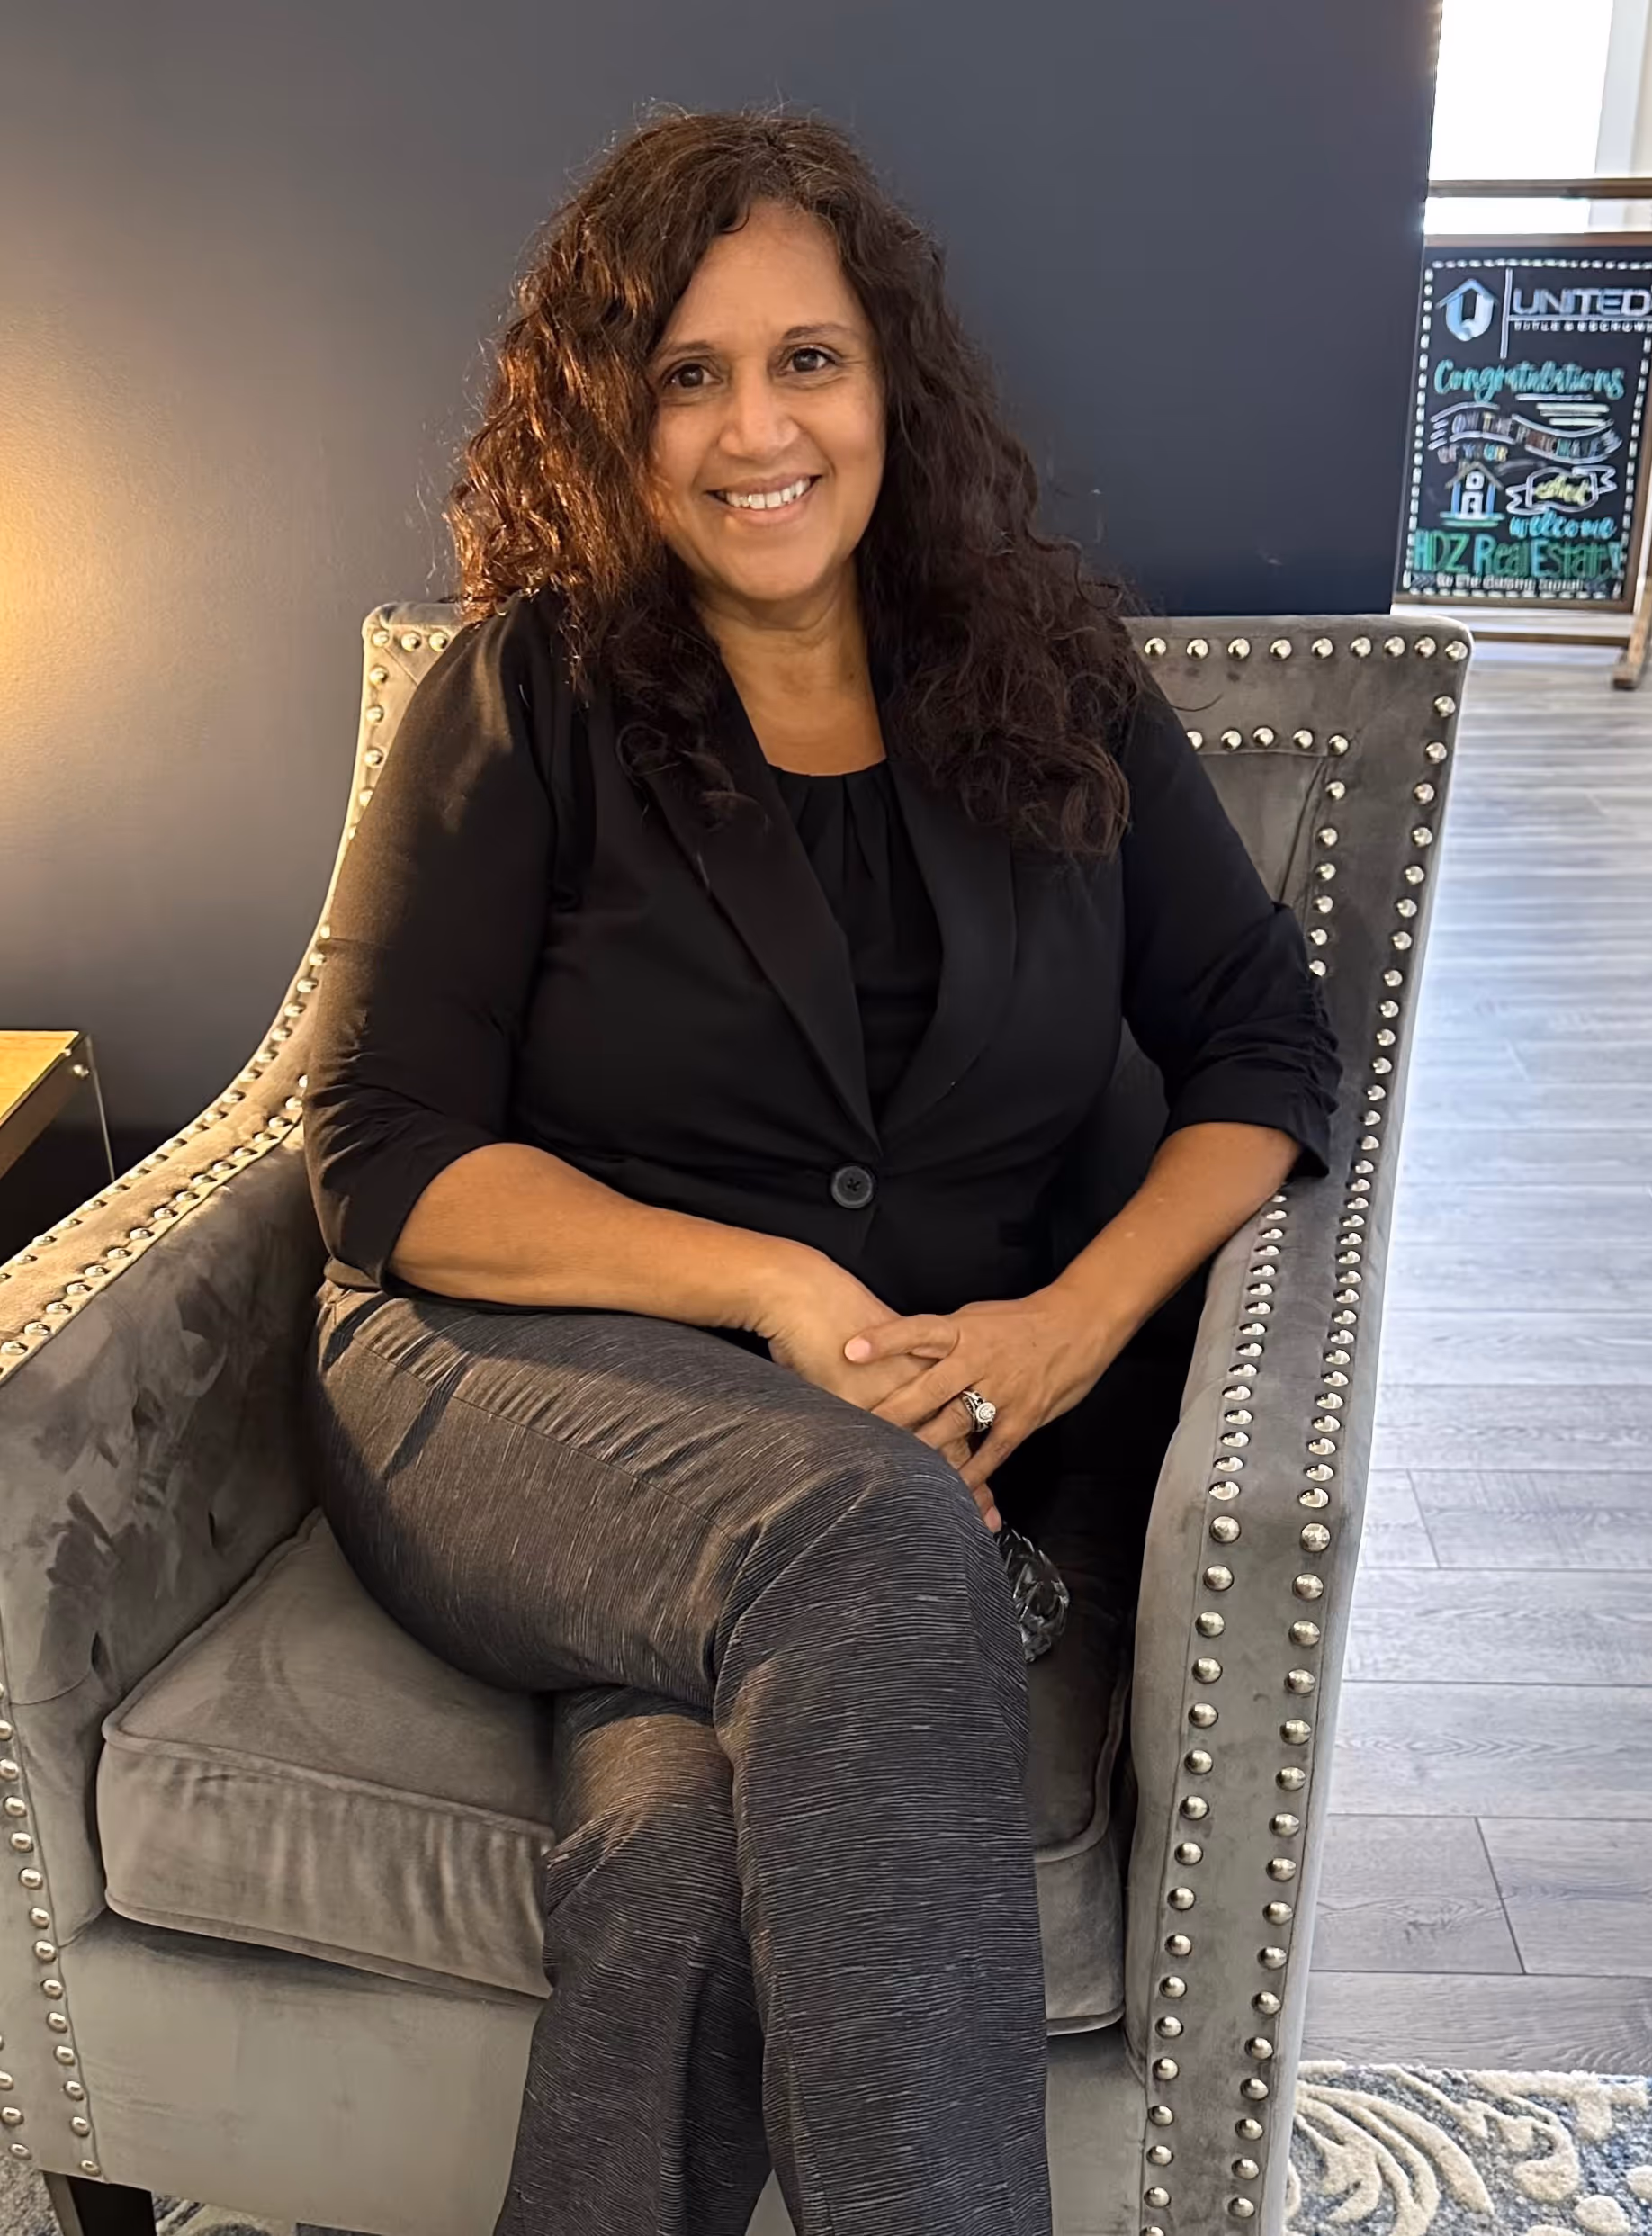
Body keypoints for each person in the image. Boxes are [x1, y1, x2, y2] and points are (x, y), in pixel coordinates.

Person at [299, 105, 1342, 2236]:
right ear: (611, 422)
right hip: (510, 1399)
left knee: (675, 1845)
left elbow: (1267, 1046)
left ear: (890, 390)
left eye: (805, 361)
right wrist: (777, 1297)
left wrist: (1065, 1329)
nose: (752, 429)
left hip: (920, 1437)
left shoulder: (1057, 696)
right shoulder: (525, 702)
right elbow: (385, 1164)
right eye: (686, 375)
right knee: (864, 1543)